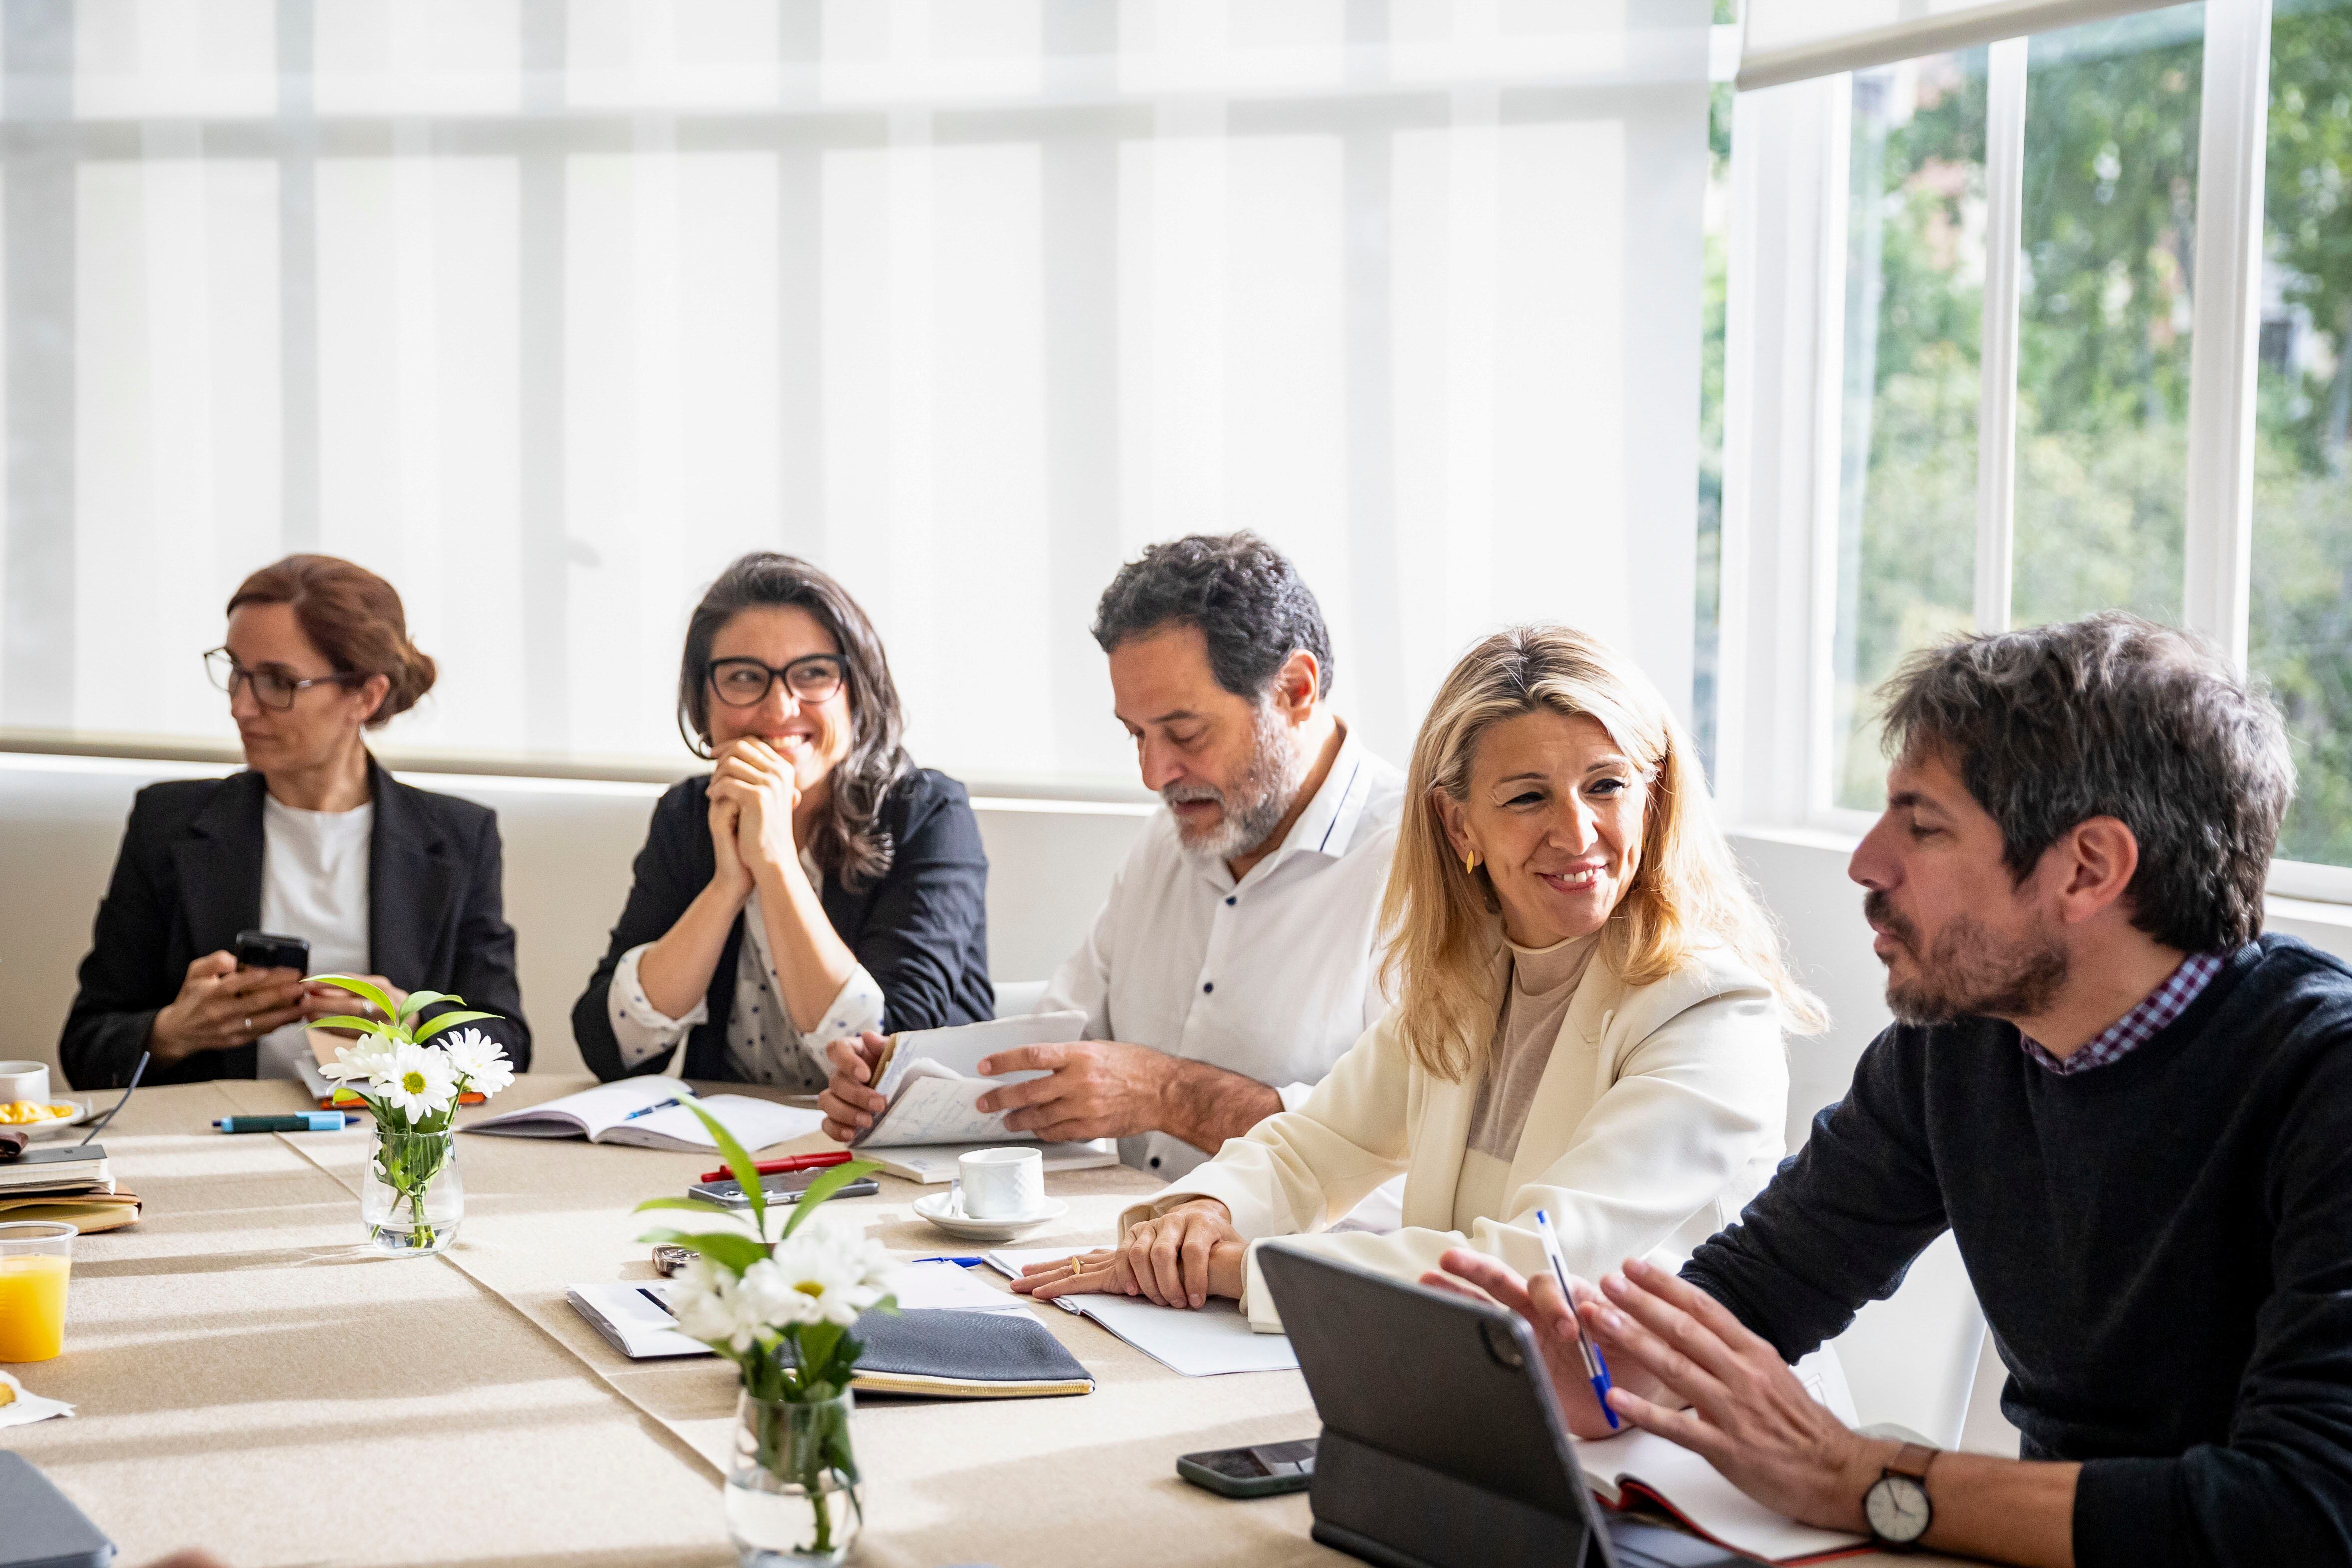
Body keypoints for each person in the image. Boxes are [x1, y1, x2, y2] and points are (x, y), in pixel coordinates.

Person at [1436, 612, 2352, 1568]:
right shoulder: (1961, 1043)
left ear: (2087, 868)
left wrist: (1864, 1478)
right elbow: (1759, 1287)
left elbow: (2299, 1513)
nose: (1866, 862)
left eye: (1922, 826)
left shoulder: (2322, 1083)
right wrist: (1599, 1367)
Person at [1013, 624, 1822, 1327]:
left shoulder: (1708, 1010)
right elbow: (1314, 1146)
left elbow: (1529, 1273)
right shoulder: (1468, 977)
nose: (1576, 832)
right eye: (1528, 796)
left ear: (1655, 798)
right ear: (1456, 820)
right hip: (1481, 1412)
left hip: (1682, 1462)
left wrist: (1229, 1267)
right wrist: (1204, 1211)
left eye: (1606, 785)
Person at [817, 532, 1407, 1180]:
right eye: (1136, 734)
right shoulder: (1173, 837)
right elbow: (1061, 1041)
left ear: (1293, 690)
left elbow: (1408, 1152)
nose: (1155, 773)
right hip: (1114, 1240)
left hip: (1280, 1270)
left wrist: (1169, 1094)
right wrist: (902, 1081)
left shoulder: (1414, 866)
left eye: (1184, 732)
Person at [60, 555, 529, 1090]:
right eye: (236, 672)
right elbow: (85, 1048)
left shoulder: (458, 837)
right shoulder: (167, 825)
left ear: (366, 695)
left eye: (277, 682)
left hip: (388, 1151)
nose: (241, 706)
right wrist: (171, 1031)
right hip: (214, 1140)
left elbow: (507, 1047)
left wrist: (413, 1024)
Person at [573, 553, 992, 1086]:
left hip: (900, 1153)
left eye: (813, 673)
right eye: (745, 677)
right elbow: (610, 1048)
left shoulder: (928, 811)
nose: (780, 708)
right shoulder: (687, 814)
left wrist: (775, 863)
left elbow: (888, 1055)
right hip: (733, 1151)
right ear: (702, 705)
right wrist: (728, 886)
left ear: (857, 694)